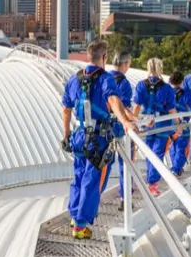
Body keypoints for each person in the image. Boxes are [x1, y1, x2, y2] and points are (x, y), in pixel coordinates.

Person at [62, 41, 136, 240]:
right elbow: (113, 100)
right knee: (92, 182)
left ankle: (75, 213)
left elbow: (66, 109)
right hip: (98, 139)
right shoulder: (106, 79)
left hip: (78, 137)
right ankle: (81, 225)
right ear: (104, 57)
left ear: (88, 56)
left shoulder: (74, 79)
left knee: (78, 177)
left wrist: (66, 134)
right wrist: (126, 123)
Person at [132, 58, 178, 197]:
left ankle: (151, 181)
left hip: (146, 123)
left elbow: (137, 107)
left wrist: (134, 122)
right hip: (162, 124)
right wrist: (178, 123)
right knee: (158, 153)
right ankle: (152, 183)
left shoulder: (141, 85)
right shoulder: (167, 88)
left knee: (149, 152)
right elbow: (171, 109)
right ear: (160, 69)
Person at [109, 52, 135, 210]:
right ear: (125, 64)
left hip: (104, 129)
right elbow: (124, 109)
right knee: (125, 164)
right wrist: (134, 121)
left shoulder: (104, 78)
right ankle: (125, 199)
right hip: (120, 129)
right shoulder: (124, 84)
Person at [168, 71, 191, 177]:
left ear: (169, 81)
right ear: (182, 82)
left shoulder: (166, 92)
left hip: (169, 124)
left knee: (173, 146)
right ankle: (176, 168)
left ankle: (175, 167)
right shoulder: (186, 94)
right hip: (183, 124)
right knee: (181, 148)